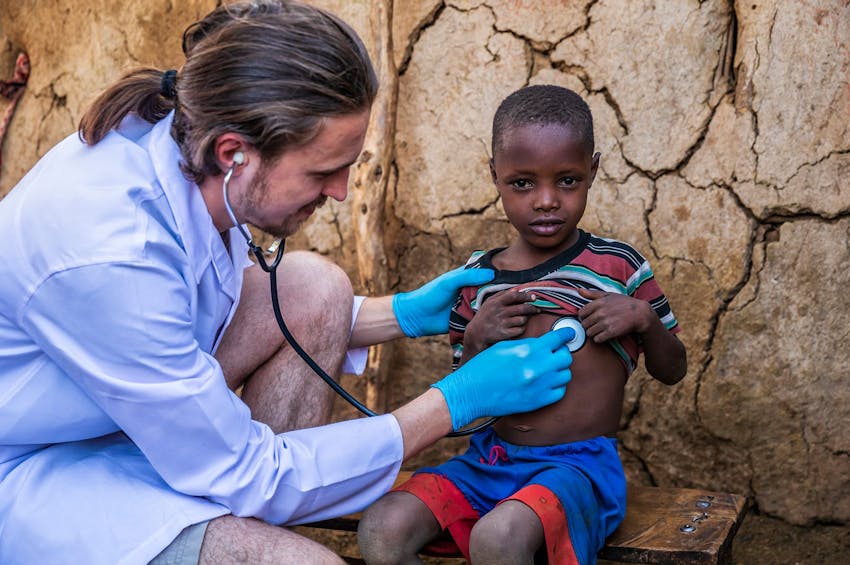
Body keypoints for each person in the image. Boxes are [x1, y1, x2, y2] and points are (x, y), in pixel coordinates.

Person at [0, 4, 579, 564]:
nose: (341, 192)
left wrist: (401, 314)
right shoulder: (108, 254)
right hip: (35, 467)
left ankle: (242, 522)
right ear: (235, 154)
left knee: (316, 289)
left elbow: (196, 311)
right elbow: (251, 469)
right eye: (323, 171)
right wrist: (454, 402)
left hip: (118, 415)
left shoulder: (184, 145)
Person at [357, 85, 688, 565]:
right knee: (381, 529)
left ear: (593, 170)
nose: (546, 201)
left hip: (576, 470)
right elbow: (464, 404)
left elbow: (673, 368)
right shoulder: (478, 277)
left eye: (568, 180)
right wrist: (475, 339)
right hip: (488, 462)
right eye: (522, 183)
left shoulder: (619, 267)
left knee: (498, 539)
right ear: (495, 174)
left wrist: (644, 319)